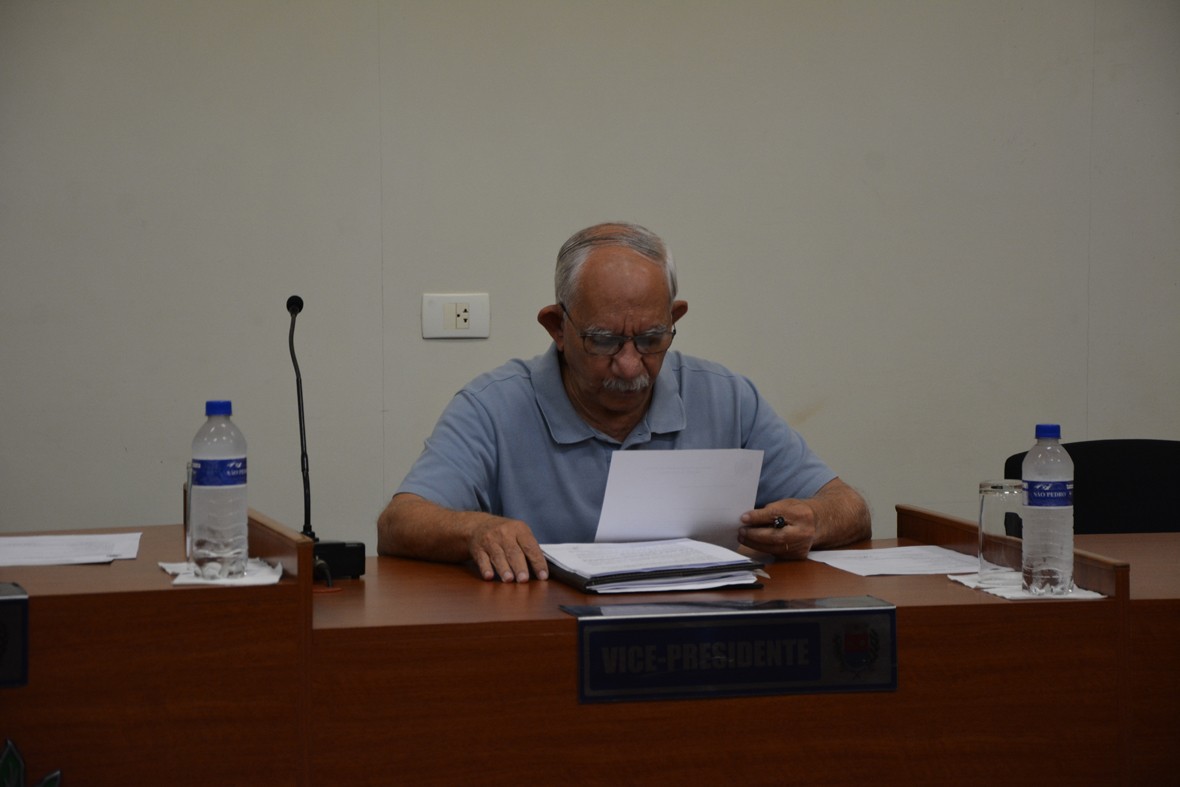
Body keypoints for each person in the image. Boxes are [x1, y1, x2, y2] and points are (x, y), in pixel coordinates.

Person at [377, 222, 871, 582]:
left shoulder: (726, 397)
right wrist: (474, 529)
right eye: (604, 341)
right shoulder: (493, 407)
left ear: (675, 319)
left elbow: (849, 507)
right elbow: (399, 523)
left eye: (652, 339)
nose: (631, 366)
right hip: (548, 645)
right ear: (557, 327)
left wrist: (811, 523)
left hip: (703, 640)